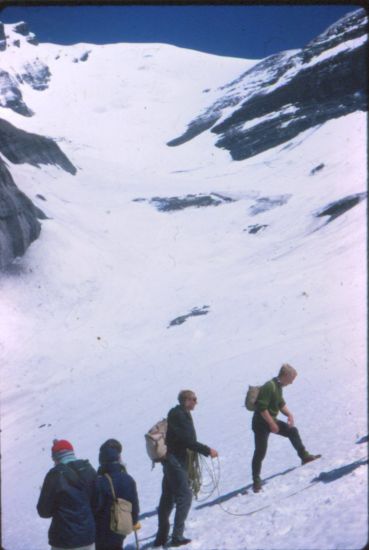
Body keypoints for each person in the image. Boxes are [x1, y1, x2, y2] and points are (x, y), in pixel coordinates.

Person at [153, 390, 218, 548]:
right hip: (175, 461)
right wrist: (207, 450)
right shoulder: (180, 415)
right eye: (194, 399)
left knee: (168, 497)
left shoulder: (178, 413)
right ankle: (176, 536)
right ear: (186, 400)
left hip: (172, 460)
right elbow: (187, 440)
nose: (196, 402)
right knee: (185, 496)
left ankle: (162, 536)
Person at [251, 364, 320, 493]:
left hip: (270, 420)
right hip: (261, 424)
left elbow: (280, 403)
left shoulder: (278, 387)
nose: (292, 382)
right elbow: (261, 408)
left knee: (292, 431)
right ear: (285, 376)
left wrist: (289, 414)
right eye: (291, 379)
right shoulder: (269, 386)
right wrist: (272, 424)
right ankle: (256, 481)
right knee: (260, 451)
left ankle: (304, 456)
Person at [37, 439, 97, 550]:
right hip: (87, 537)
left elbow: (43, 511)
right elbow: (98, 502)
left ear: (56, 457)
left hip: (63, 540)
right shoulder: (89, 470)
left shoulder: (54, 475)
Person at [94, 439, 140, 550]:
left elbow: (96, 507)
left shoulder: (100, 482)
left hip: (103, 530)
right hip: (121, 527)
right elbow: (134, 506)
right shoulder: (128, 479)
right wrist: (134, 521)